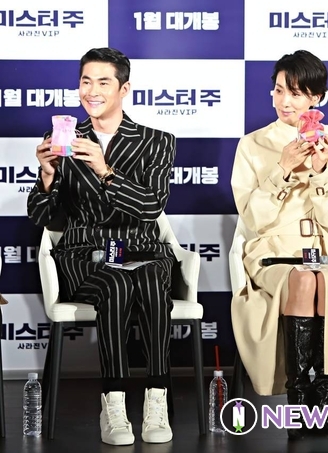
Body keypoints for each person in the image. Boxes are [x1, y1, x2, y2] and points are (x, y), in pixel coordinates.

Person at [230, 50, 328, 440]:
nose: (285, 101)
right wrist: (283, 170)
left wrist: (320, 173)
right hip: (272, 255)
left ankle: (320, 396)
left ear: (316, 98)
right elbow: (253, 218)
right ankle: (300, 399)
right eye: (279, 90)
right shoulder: (252, 144)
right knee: (304, 279)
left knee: (320, 279)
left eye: (297, 93)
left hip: (325, 254)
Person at [27, 48, 176, 446]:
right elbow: (45, 218)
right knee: (116, 282)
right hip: (85, 255)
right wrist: (46, 175)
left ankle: (156, 398)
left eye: (103, 82)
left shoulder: (156, 142)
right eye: (85, 81)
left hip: (142, 251)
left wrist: (105, 170)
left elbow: (151, 206)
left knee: (148, 279)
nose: (91, 91)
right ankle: (114, 404)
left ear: (124, 89)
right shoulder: (63, 140)